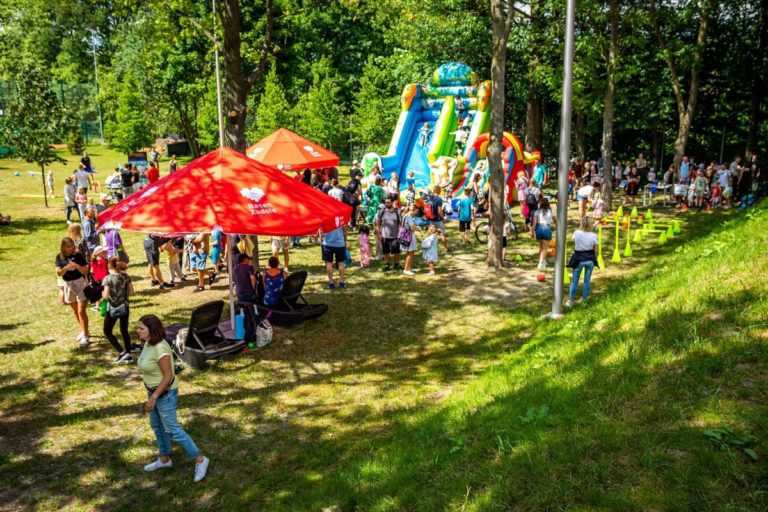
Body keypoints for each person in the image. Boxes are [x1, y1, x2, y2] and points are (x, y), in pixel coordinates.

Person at [136, 315, 209, 482]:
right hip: (153, 391)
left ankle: (200, 459)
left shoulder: (160, 348)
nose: (137, 331)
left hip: (164, 394)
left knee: (172, 429)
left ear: (151, 330)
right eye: (138, 327)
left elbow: (168, 376)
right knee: (156, 425)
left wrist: (154, 397)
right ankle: (164, 459)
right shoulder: (148, 343)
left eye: (141, 328)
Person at [56, 237, 91, 347]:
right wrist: (66, 268)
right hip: (68, 285)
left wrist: (77, 266)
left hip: (80, 283)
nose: (71, 248)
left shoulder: (78, 256)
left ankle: (86, 336)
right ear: (63, 247)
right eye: (68, 247)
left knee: (81, 311)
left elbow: (86, 271)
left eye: (72, 246)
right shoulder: (59, 257)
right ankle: (84, 330)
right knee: (76, 311)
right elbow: (58, 273)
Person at [102, 256, 135, 363]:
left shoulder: (107, 279)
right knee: (124, 330)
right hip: (125, 307)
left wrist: (102, 294)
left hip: (113, 308)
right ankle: (128, 352)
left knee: (107, 331)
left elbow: (106, 296)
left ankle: (122, 352)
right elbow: (131, 291)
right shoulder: (125, 276)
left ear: (109, 265)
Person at [566, 216, 599, 307]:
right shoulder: (594, 235)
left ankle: (571, 301)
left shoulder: (576, 233)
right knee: (587, 281)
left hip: (578, 259)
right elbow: (596, 250)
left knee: (574, 281)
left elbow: (574, 241)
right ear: (591, 225)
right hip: (590, 260)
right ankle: (584, 301)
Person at [322, 194, 348, 288]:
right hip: (340, 243)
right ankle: (341, 282)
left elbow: (321, 228)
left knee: (329, 263)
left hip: (327, 242)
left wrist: (321, 239)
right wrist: (345, 240)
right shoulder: (342, 215)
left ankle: (331, 283)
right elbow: (345, 229)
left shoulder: (325, 214)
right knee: (341, 263)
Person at [375, 196, 402, 272]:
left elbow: (400, 224)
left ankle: (396, 264)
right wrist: (378, 233)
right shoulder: (382, 212)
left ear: (392, 202)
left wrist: (400, 233)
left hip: (395, 236)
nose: (386, 204)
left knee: (396, 251)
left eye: (388, 202)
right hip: (384, 236)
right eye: (385, 202)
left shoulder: (397, 212)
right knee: (386, 251)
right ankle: (387, 264)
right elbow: (378, 223)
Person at [531, 197, 555, 269]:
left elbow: (534, 224)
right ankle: (541, 262)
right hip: (546, 228)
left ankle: (543, 260)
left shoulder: (537, 212)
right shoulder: (550, 212)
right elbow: (555, 221)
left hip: (538, 228)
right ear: (548, 204)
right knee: (545, 247)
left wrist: (532, 232)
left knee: (541, 246)